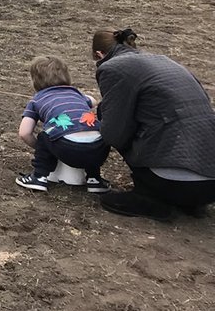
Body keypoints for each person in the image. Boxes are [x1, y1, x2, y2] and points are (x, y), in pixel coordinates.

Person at [92, 28, 215, 221]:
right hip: (211, 183)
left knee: (106, 113)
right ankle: (190, 201)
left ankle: (151, 197)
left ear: (99, 55)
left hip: (172, 185)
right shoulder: (167, 62)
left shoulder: (112, 68)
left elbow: (114, 133)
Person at [15, 56, 111, 194]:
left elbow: (24, 133)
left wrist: (43, 149)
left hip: (65, 147)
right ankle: (94, 179)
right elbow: (93, 101)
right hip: (99, 148)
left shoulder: (36, 100)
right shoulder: (76, 93)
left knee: (46, 135)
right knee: (90, 132)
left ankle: (39, 177)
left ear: (34, 81)